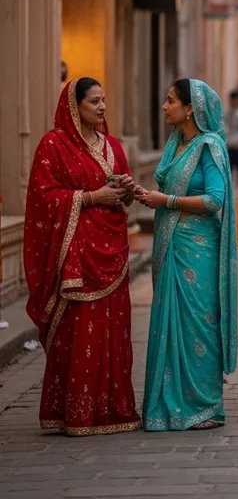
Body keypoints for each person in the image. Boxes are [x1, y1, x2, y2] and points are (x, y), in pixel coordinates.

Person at [24, 78, 140, 435]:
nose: (102, 107)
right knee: (78, 331)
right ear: (75, 106)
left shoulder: (112, 146)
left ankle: (112, 409)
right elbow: (43, 198)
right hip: (73, 254)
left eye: (104, 100)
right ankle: (74, 413)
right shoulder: (53, 145)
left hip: (111, 253)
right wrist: (90, 198)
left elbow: (123, 198)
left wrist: (126, 191)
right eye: (94, 101)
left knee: (114, 329)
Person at [136, 79, 238, 431]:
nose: (164, 106)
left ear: (190, 108)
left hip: (198, 251)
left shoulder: (209, 147)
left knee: (198, 325)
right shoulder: (176, 144)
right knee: (170, 323)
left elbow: (215, 199)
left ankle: (203, 406)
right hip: (172, 246)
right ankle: (167, 407)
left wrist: (166, 202)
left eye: (170, 100)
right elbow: (166, 185)